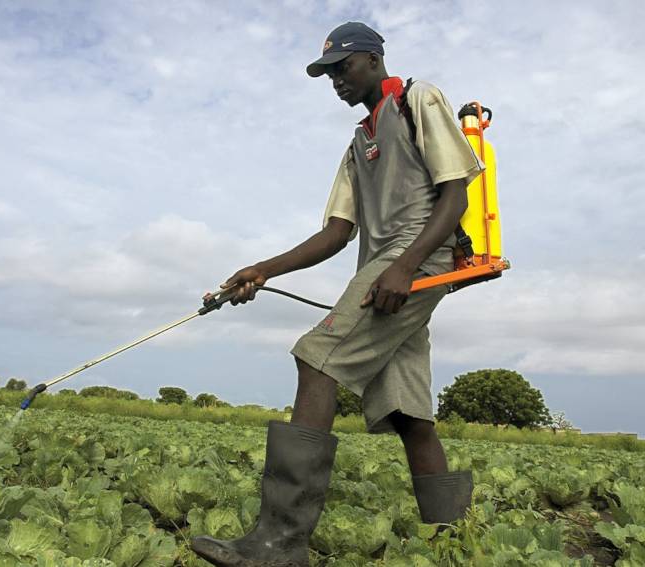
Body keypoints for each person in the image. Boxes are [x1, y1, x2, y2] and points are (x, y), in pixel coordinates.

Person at [191, 21, 481, 567]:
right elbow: (336, 232)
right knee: (408, 413)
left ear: (373, 59)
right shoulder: (357, 143)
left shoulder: (419, 100)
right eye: (328, 74)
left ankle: (279, 545)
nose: (336, 82)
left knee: (317, 360)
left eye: (342, 68)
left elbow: (456, 195)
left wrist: (405, 267)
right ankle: (458, 541)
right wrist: (264, 269)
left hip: (414, 261)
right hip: (387, 269)